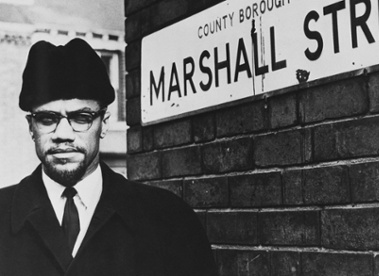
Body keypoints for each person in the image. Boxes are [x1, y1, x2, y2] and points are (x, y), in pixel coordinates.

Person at [0, 38, 218, 276]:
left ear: (103, 124)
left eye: (81, 118)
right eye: (47, 119)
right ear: (31, 127)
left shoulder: (168, 218)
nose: (63, 134)